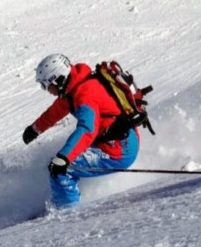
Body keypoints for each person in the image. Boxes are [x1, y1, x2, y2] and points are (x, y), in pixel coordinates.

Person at [22, 53, 140, 208]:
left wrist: (65, 158)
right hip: (119, 139)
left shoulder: (85, 94)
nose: (46, 90)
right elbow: (56, 111)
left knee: (60, 170)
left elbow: (87, 129)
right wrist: (35, 129)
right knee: (57, 163)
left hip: (119, 149)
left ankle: (67, 216)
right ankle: (65, 199)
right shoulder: (75, 88)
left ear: (58, 79)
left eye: (46, 85)